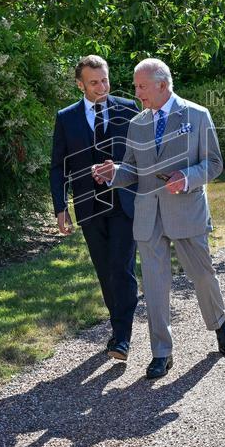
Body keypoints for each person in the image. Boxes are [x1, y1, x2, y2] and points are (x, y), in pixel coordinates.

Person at [92, 58, 225, 380]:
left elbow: (213, 164)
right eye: (135, 86)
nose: (136, 92)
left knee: (202, 276)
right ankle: (162, 352)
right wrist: (113, 174)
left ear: (162, 84)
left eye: (141, 86)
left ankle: (220, 325)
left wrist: (186, 177)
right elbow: (132, 169)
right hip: (147, 215)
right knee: (155, 288)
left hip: (187, 211)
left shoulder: (197, 116)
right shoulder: (138, 123)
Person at [50, 55, 140, 361]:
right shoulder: (66, 118)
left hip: (123, 201)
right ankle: (118, 328)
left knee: (121, 266)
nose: (102, 86)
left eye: (105, 80)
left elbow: (141, 156)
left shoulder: (129, 109)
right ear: (80, 85)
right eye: (94, 82)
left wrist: (119, 168)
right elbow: (57, 167)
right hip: (88, 205)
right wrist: (60, 207)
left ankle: (122, 336)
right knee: (105, 269)